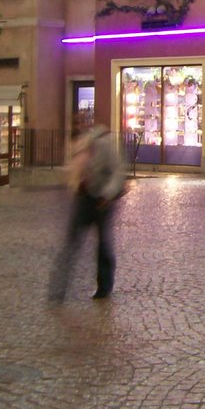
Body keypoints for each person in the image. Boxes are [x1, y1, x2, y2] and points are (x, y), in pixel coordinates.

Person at [49, 124, 127, 302]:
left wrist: (107, 194)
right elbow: (75, 170)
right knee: (71, 243)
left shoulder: (105, 144)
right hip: (84, 199)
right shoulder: (81, 146)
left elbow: (117, 171)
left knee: (103, 244)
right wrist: (73, 184)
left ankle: (104, 287)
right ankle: (58, 288)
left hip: (102, 201)